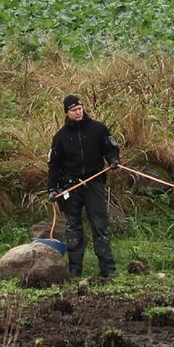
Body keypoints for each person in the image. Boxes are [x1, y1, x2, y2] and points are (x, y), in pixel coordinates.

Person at [48, 94, 120, 279]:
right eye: (74, 110)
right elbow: (54, 165)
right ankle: (74, 270)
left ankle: (108, 269)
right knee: (73, 228)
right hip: (70, 187)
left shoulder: (98, 129)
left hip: (94, 183)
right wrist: (52, 189)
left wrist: (113, 160)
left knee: (100, 226)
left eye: (80, 109)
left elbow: (111, 148)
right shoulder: (60, 137)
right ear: (67, 113)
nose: (78, 112)